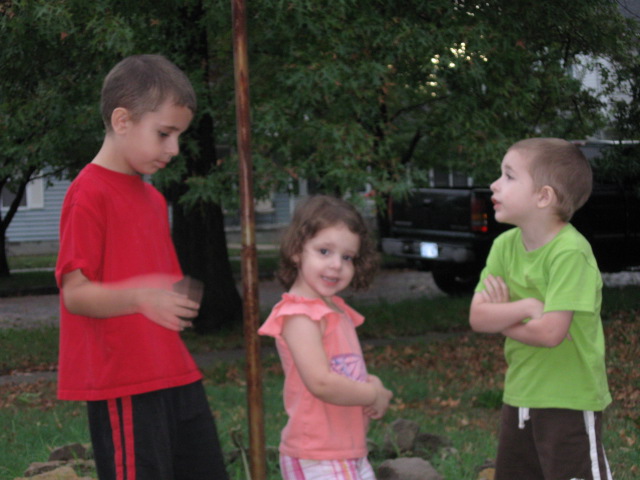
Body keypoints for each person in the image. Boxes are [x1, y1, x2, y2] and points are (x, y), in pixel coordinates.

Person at [55, 54, 228, 480]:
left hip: (175, 373)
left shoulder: (152, 200)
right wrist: (141, 298)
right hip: (126, 384)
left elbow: (160, 289)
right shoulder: (88, 193)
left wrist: (171, 300)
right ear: (122, 120)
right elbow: (75, 293)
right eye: (164, 134)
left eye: (179, 136)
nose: (174, 149)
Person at [469, 138, 613, 480]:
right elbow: (478, 317)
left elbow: (550, 333)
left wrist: (503, 317)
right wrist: (526, 307)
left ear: (543, 197)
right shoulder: (504, 246)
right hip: (520, 395)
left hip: (569, 400)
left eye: (509, 176)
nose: (495, 184)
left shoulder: (570, 252)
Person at [258, 195, 393, 480]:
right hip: (316, 454)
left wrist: (374, 383)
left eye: (347, 257)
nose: (336, 265)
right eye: (324, 251)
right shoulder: (299, 315)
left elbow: (346, 371)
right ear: (296, 251)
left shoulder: (335, 310)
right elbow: (321, 382)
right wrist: (372, 394)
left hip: (347, 450)